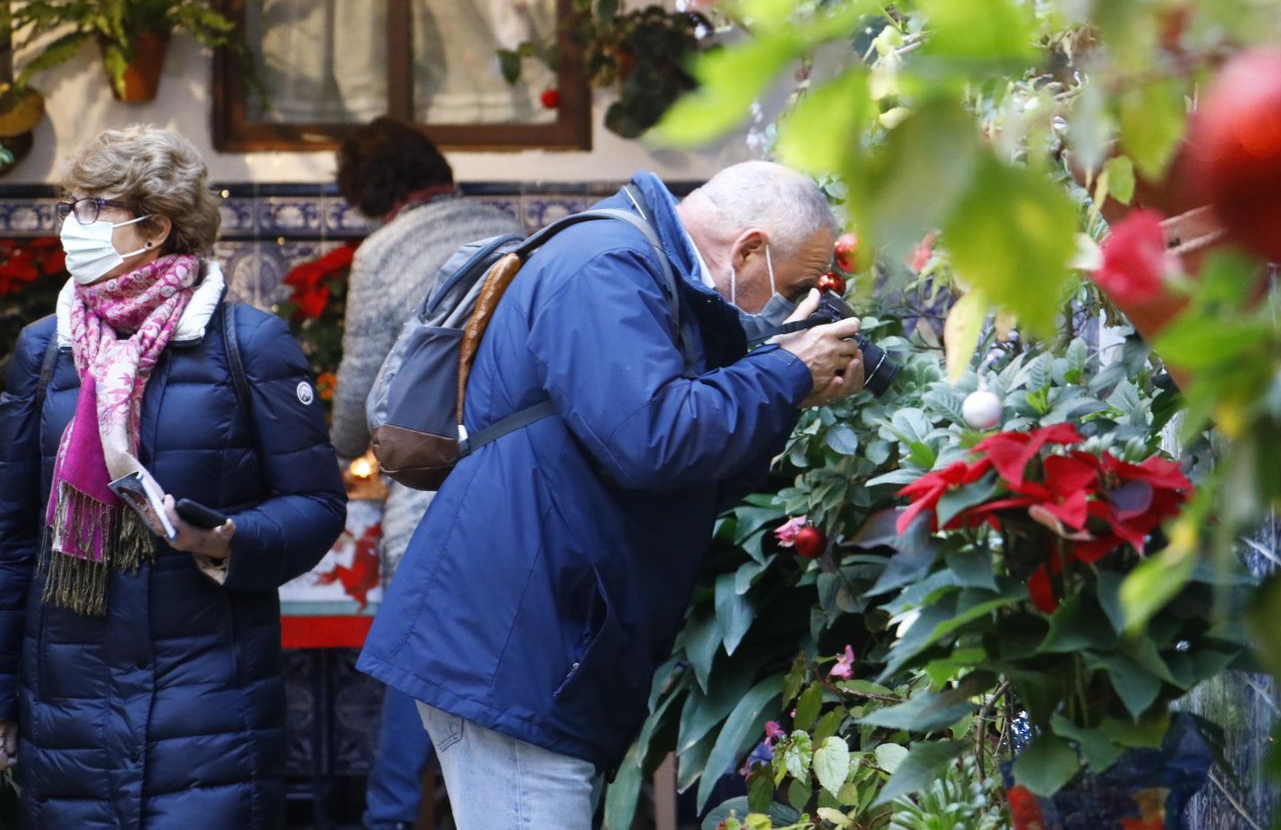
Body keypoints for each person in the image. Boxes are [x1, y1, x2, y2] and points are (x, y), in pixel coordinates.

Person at [358, 162, 864, 828]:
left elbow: (697, 472)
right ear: (749, 250)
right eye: (793, 287)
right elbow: (651, 439)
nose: (789, 309)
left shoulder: (651, 273)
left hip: (552, 633)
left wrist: (790, 389)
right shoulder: (604, 264)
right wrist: (784, 370)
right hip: (517, 642)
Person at [0, 126, 347, 828]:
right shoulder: (45, 350)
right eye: (73, 205)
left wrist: (227, 539)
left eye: (94, 207)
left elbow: (315, 503)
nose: (72, 224)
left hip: (211, 708)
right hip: (68, 709)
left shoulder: (249, 345)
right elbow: (10, 540)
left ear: (156, 226)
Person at [330, 118, 521, 830]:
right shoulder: (512, 232)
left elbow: (361, 391)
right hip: (521, 490)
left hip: (429, 498)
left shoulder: (380, 254)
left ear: (369, 189)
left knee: (418, 673)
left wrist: (331, 459)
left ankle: (389, 819)